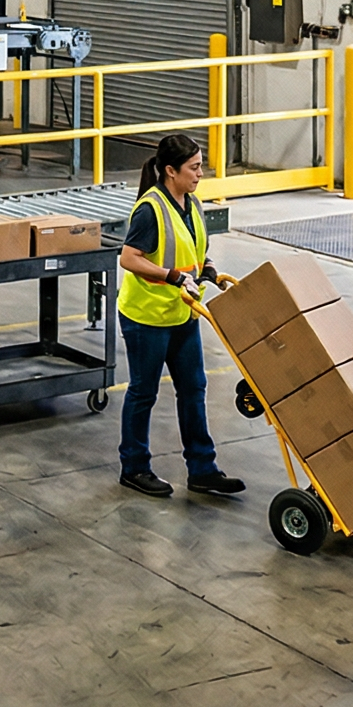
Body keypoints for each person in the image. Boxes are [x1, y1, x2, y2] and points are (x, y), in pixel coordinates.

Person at [114, 132, 243, 499]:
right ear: (170, 171)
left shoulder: (192, 203)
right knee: (143, 392)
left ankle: (202, 468)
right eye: (195, 167)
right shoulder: (150, 210)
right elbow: (129, 258)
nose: (201, 174)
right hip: (148, 318)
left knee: (193, 388)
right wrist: (172, 276)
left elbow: (198, 250)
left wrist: (210, 272)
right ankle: (134, 467)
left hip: (183, 316)